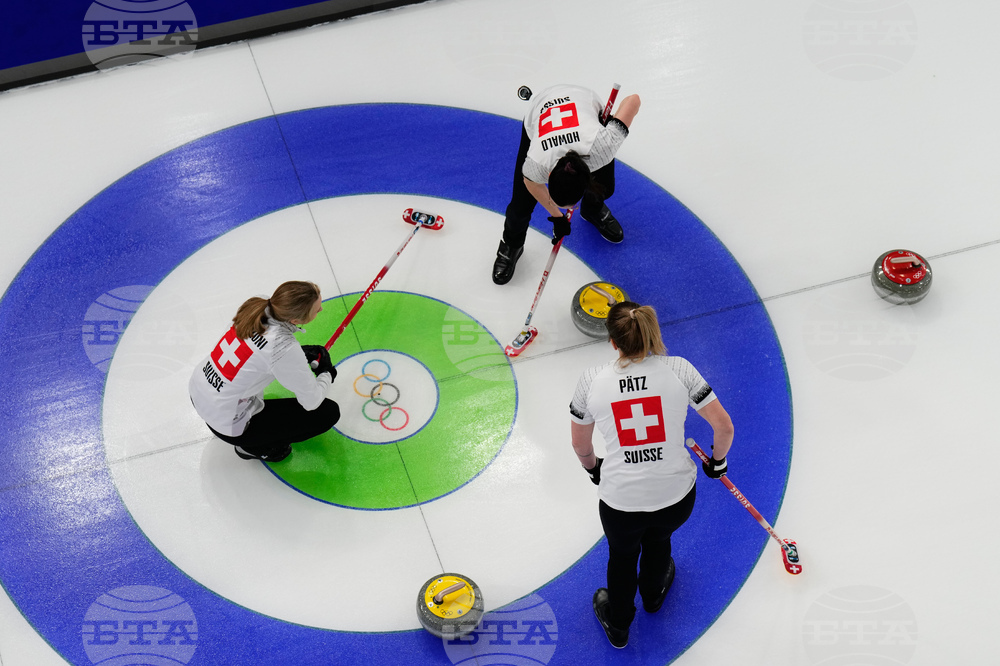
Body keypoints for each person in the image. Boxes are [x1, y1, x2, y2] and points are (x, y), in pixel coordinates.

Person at [568, 301, 734, 648]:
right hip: (676, 497)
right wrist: (717, 463)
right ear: (651, 332)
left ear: (612, 341)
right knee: (659, 542)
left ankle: (619, 624)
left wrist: (594, 469)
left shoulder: (591, 381)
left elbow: (581, 446)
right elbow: (724, 427)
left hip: (621, 504)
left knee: (622, 557)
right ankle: (654, 595)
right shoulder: (680, 369)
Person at [492, 84, 641, 285]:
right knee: (520, 207)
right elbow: (532, 184)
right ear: (549, 174)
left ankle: (592, 209)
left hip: (583, 102)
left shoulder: (602, 147)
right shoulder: (537, 163)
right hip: (542, 107)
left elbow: (633, 99)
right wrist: (557, 217)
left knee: (605, 186)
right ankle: (512, 244)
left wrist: (612, 123)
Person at [188, 280, 340, 462]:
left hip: (199, 391)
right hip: (226, 423)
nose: (321, 309)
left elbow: (256, 347)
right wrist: (326, 373)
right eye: (317, 309)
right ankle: (257, 447)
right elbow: (311, 401)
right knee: (327, 413)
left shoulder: (257, 303)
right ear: (295, 321)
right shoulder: (283, 346)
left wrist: (300, 354)